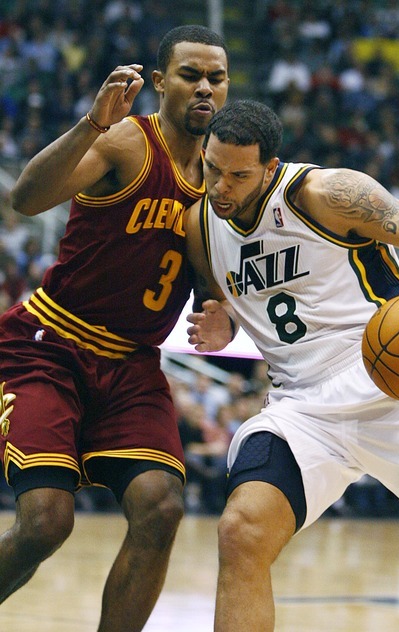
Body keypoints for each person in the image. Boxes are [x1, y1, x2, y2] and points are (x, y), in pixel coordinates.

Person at [184, 99, 399, 631]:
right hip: (301, 407)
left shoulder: (327, 195)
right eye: (213, 169)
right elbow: (249, 303)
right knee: (241, 530)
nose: (221, 186)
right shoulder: (201, 226)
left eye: (238, 175)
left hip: (393, 384)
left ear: (270, 167)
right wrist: (227, 325)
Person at [0, 25, 230, 631]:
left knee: (161, 508)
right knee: (46, 522)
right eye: (190, 75)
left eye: (217, 77)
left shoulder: (220, 176)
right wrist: (91, 125)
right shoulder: (128, 142)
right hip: (51, 346)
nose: (205, 87)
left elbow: (210, 280)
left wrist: (222, 314)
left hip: (132, 364)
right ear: (160, 83)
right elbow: (25, 198)